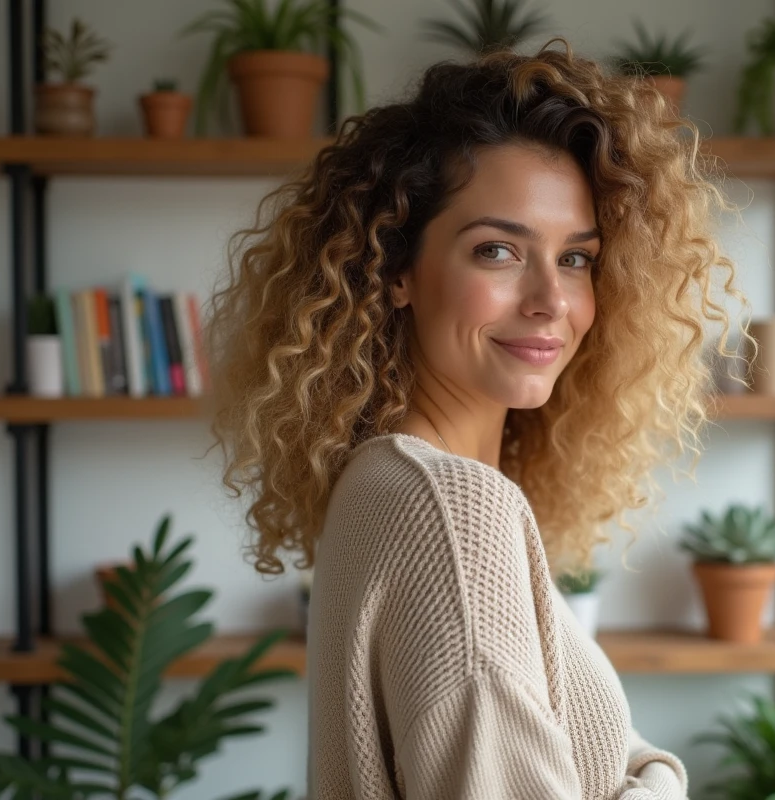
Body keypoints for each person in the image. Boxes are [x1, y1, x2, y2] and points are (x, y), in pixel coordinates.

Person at [206, 37, 741, 800]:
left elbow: (625, 758)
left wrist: (645, 775)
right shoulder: (450, 511)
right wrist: (656, 782)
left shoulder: (394, 481)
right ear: (396, 272)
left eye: (577, 258)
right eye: (497, 251)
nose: (551, 301)